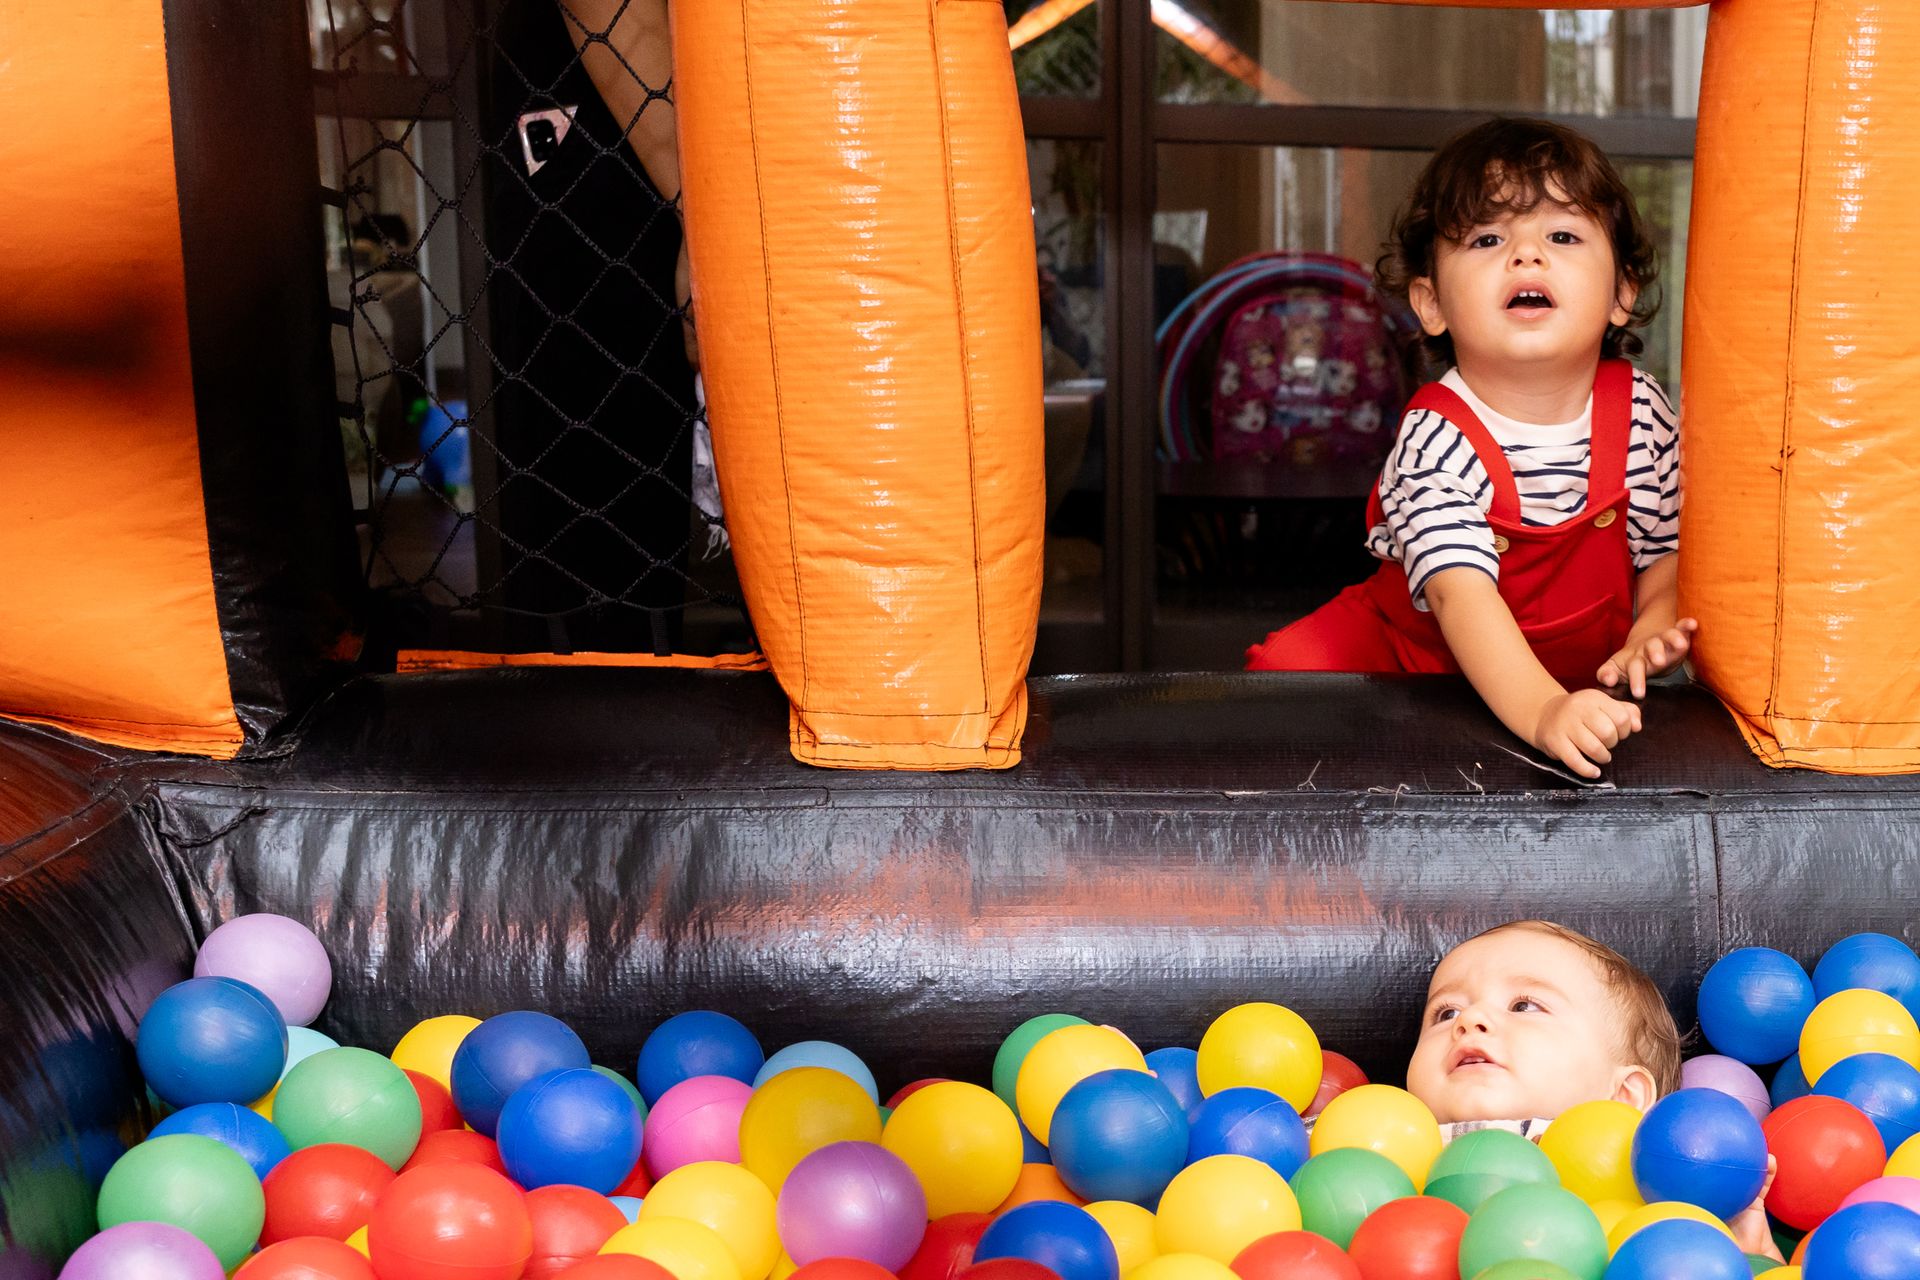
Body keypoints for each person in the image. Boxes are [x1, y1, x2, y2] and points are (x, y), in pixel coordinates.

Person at [1244, 119, 1697, 780]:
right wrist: (1544, 712)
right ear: (1431, 304)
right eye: (1488, 238)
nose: (1527, 255)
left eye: (1562, 235)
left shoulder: (1642, 414)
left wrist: (1650, 629)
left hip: (1567, 669)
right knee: (1281, 697)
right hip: (1411, 657)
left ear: (1622, 293)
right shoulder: (1436, 438)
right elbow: (1462, 597)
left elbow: (1664, 557)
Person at [1406, 920, 1779, 1261]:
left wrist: (1749, 1245)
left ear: (1623, 1097)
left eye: (1524, 1005)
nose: (1471, 1021)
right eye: (1446, 1013)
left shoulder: (1645, 1192)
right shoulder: (1396, 1155)